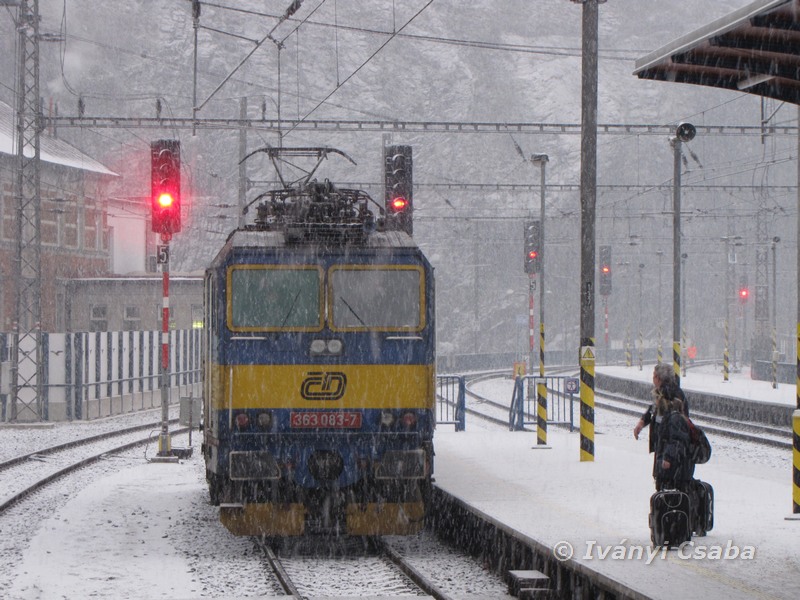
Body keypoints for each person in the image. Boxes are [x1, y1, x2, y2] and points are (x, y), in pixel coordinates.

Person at [652, 392, 693, 490]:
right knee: (668, 496)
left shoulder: (675, 419)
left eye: (657, 400)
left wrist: (668, 458)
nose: (655, 403)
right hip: (674, 470)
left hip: (673, 471)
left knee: (670, 497)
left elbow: (676, 440)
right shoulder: (670, 418)